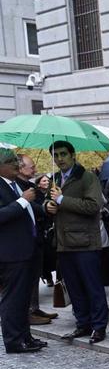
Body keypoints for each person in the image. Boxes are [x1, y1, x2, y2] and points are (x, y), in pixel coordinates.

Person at [45, 140, 109, 344]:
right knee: (73, 287)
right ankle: (82, 324)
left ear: (73, 155)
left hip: (85, 242)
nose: (60, 159)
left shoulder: (87, 177)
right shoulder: (55, 178)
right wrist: (49, 206)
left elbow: (93, 206)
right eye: (55, 155)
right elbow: (49, 203)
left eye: (63, 154)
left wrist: (63, 200)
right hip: (63, 243)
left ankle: (99, 327)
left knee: (92, 286)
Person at [0, 147, 45, 354]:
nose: (17, 167)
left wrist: (44, 208)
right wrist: (23, 200)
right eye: (12, 164)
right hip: (11, 253)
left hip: (27, 249)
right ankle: (13, 341)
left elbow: (29, 208)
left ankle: (26, 336)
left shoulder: (14, 184)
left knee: (23, 298)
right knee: (13, 299)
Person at [17, 155, 57, 325]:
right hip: (24, 239)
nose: (34, 169)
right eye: (31, 166)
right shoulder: (17, 187)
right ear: (20, 168)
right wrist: (43, 207)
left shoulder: (31, 185)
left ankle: (34, 308)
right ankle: (27, 312)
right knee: (26, 278)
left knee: (35, 274)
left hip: (38, 237)